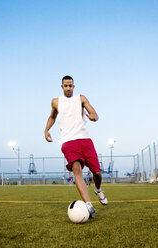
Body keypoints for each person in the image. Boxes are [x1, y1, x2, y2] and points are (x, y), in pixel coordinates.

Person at [44, 75, 108, 218]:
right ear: (62, 87)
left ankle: (98, 189)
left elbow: (94, 113)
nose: (68, 88)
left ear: (74, 86)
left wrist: (94, 117)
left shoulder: (81, 98)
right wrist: (46, 130)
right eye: (65, 85)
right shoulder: (55, 102)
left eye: (70, 85)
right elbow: (52, 117)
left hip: (84, 140)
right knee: (77, 169)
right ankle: (88, 204)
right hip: (68, 142)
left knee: (97, 173)